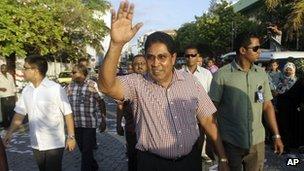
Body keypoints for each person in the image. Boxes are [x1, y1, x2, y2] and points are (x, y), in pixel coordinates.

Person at [98, 2, 228, 171]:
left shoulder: (191, 82)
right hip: (152, 164)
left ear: (173, 58)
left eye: (162, 57)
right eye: (150, 57)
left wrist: (223, 158)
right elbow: (106, 86)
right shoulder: (137, 83)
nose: (155, 63)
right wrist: (116, 45)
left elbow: (209, 122)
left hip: (190, 162)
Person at [209, 31, 284, 171]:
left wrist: (276, 135)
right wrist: (219, 151)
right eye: (255, 48)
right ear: (242, 50)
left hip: (257, 142)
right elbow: (211, 113)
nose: (259, 51)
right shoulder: (221, 75)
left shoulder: (261, 74)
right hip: (231, 142)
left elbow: (267, 105)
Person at [3, 55, 76, 171]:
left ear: (35, 71)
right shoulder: (27, 90)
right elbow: (19, 114)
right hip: (36, 143)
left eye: (25, 68)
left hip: (54, 143)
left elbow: (68, 113)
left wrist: (71, 136)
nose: (23, 71)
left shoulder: (55, 89)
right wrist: (9, 133)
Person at [67, 64, 106, 171]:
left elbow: (101, 101)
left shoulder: (92, 85)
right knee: (83, 150)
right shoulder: (70, 86)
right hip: (75, 124)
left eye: (74, 72)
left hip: (89, 124)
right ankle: (93, 166)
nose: (72, 74)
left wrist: (103, 120)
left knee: (86, 151)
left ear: (82, 73)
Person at [181, 45, 214, 162]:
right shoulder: (177, 74)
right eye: (187, 55)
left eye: (193, 55)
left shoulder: (206, 74)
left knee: (200, 142)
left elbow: (210, 96)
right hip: (184, 118)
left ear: (198, 56)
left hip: (202, 117)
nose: (190, 58)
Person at [116, 54, 147, 171]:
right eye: (136, 64)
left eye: (142, 63)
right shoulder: (126, 84)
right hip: (132, 130)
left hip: (150, 132)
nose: (139, 66)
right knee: (133, 159)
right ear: (132, 67)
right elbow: (119, 105)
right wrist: (118, 124)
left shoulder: (154, 82)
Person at [0, 64, 17, 129]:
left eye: (4, 68)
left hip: (11, 95)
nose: (3, 69)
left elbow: (13, 85)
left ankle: (12, 125)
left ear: (7, 69)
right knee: (5, 112)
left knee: (12, 111)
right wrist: (1, 89)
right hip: (4, 96)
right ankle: (6, 126)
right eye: (2, 68)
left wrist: (15, 95)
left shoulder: (10, 76)